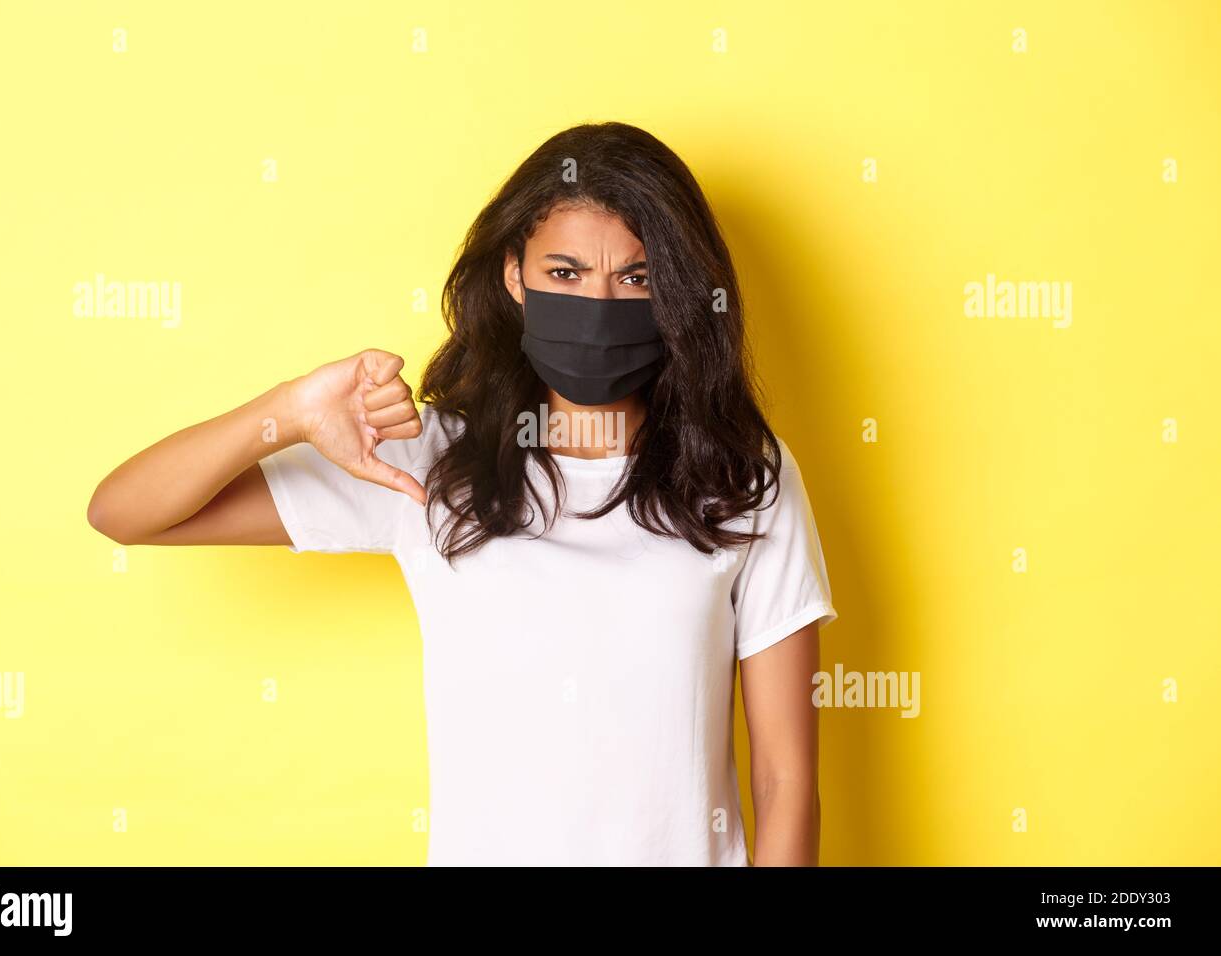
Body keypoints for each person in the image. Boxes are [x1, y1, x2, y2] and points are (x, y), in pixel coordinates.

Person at [87, 121, 837, 866]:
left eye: (635, 278)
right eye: (566, 274)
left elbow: (784, 781)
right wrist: (287, 410)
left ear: (673, 291)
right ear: (515, 276)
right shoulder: (428, 459)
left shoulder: (742, 477)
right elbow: (124, 512)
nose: (599, 304)